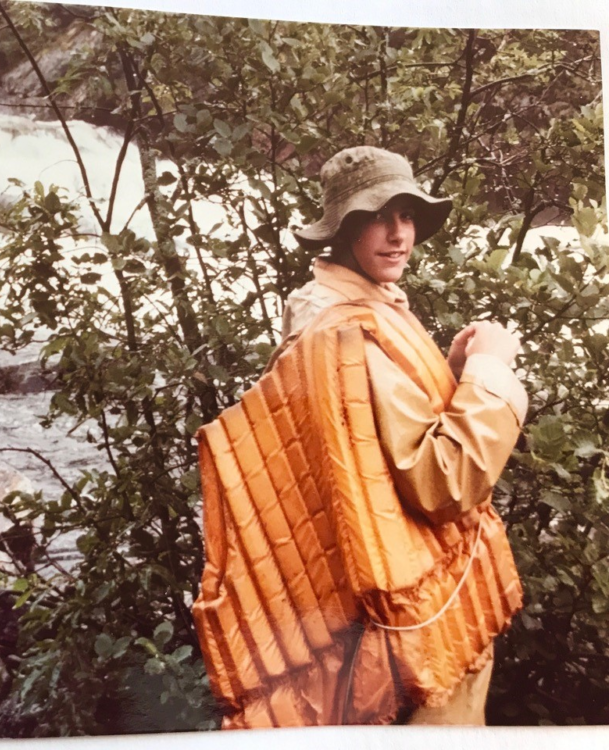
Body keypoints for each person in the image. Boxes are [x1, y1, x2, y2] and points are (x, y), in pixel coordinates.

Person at [192, 146, 528, 728]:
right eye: (379, 217)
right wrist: (491, 372)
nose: (399, 234)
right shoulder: (352, 333)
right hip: (409, 630)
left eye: (408, 215)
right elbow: (443, 482)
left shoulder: (338, 306)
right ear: (344, 229)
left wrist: (445, 374)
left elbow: (372, 449)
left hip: (371, 614)